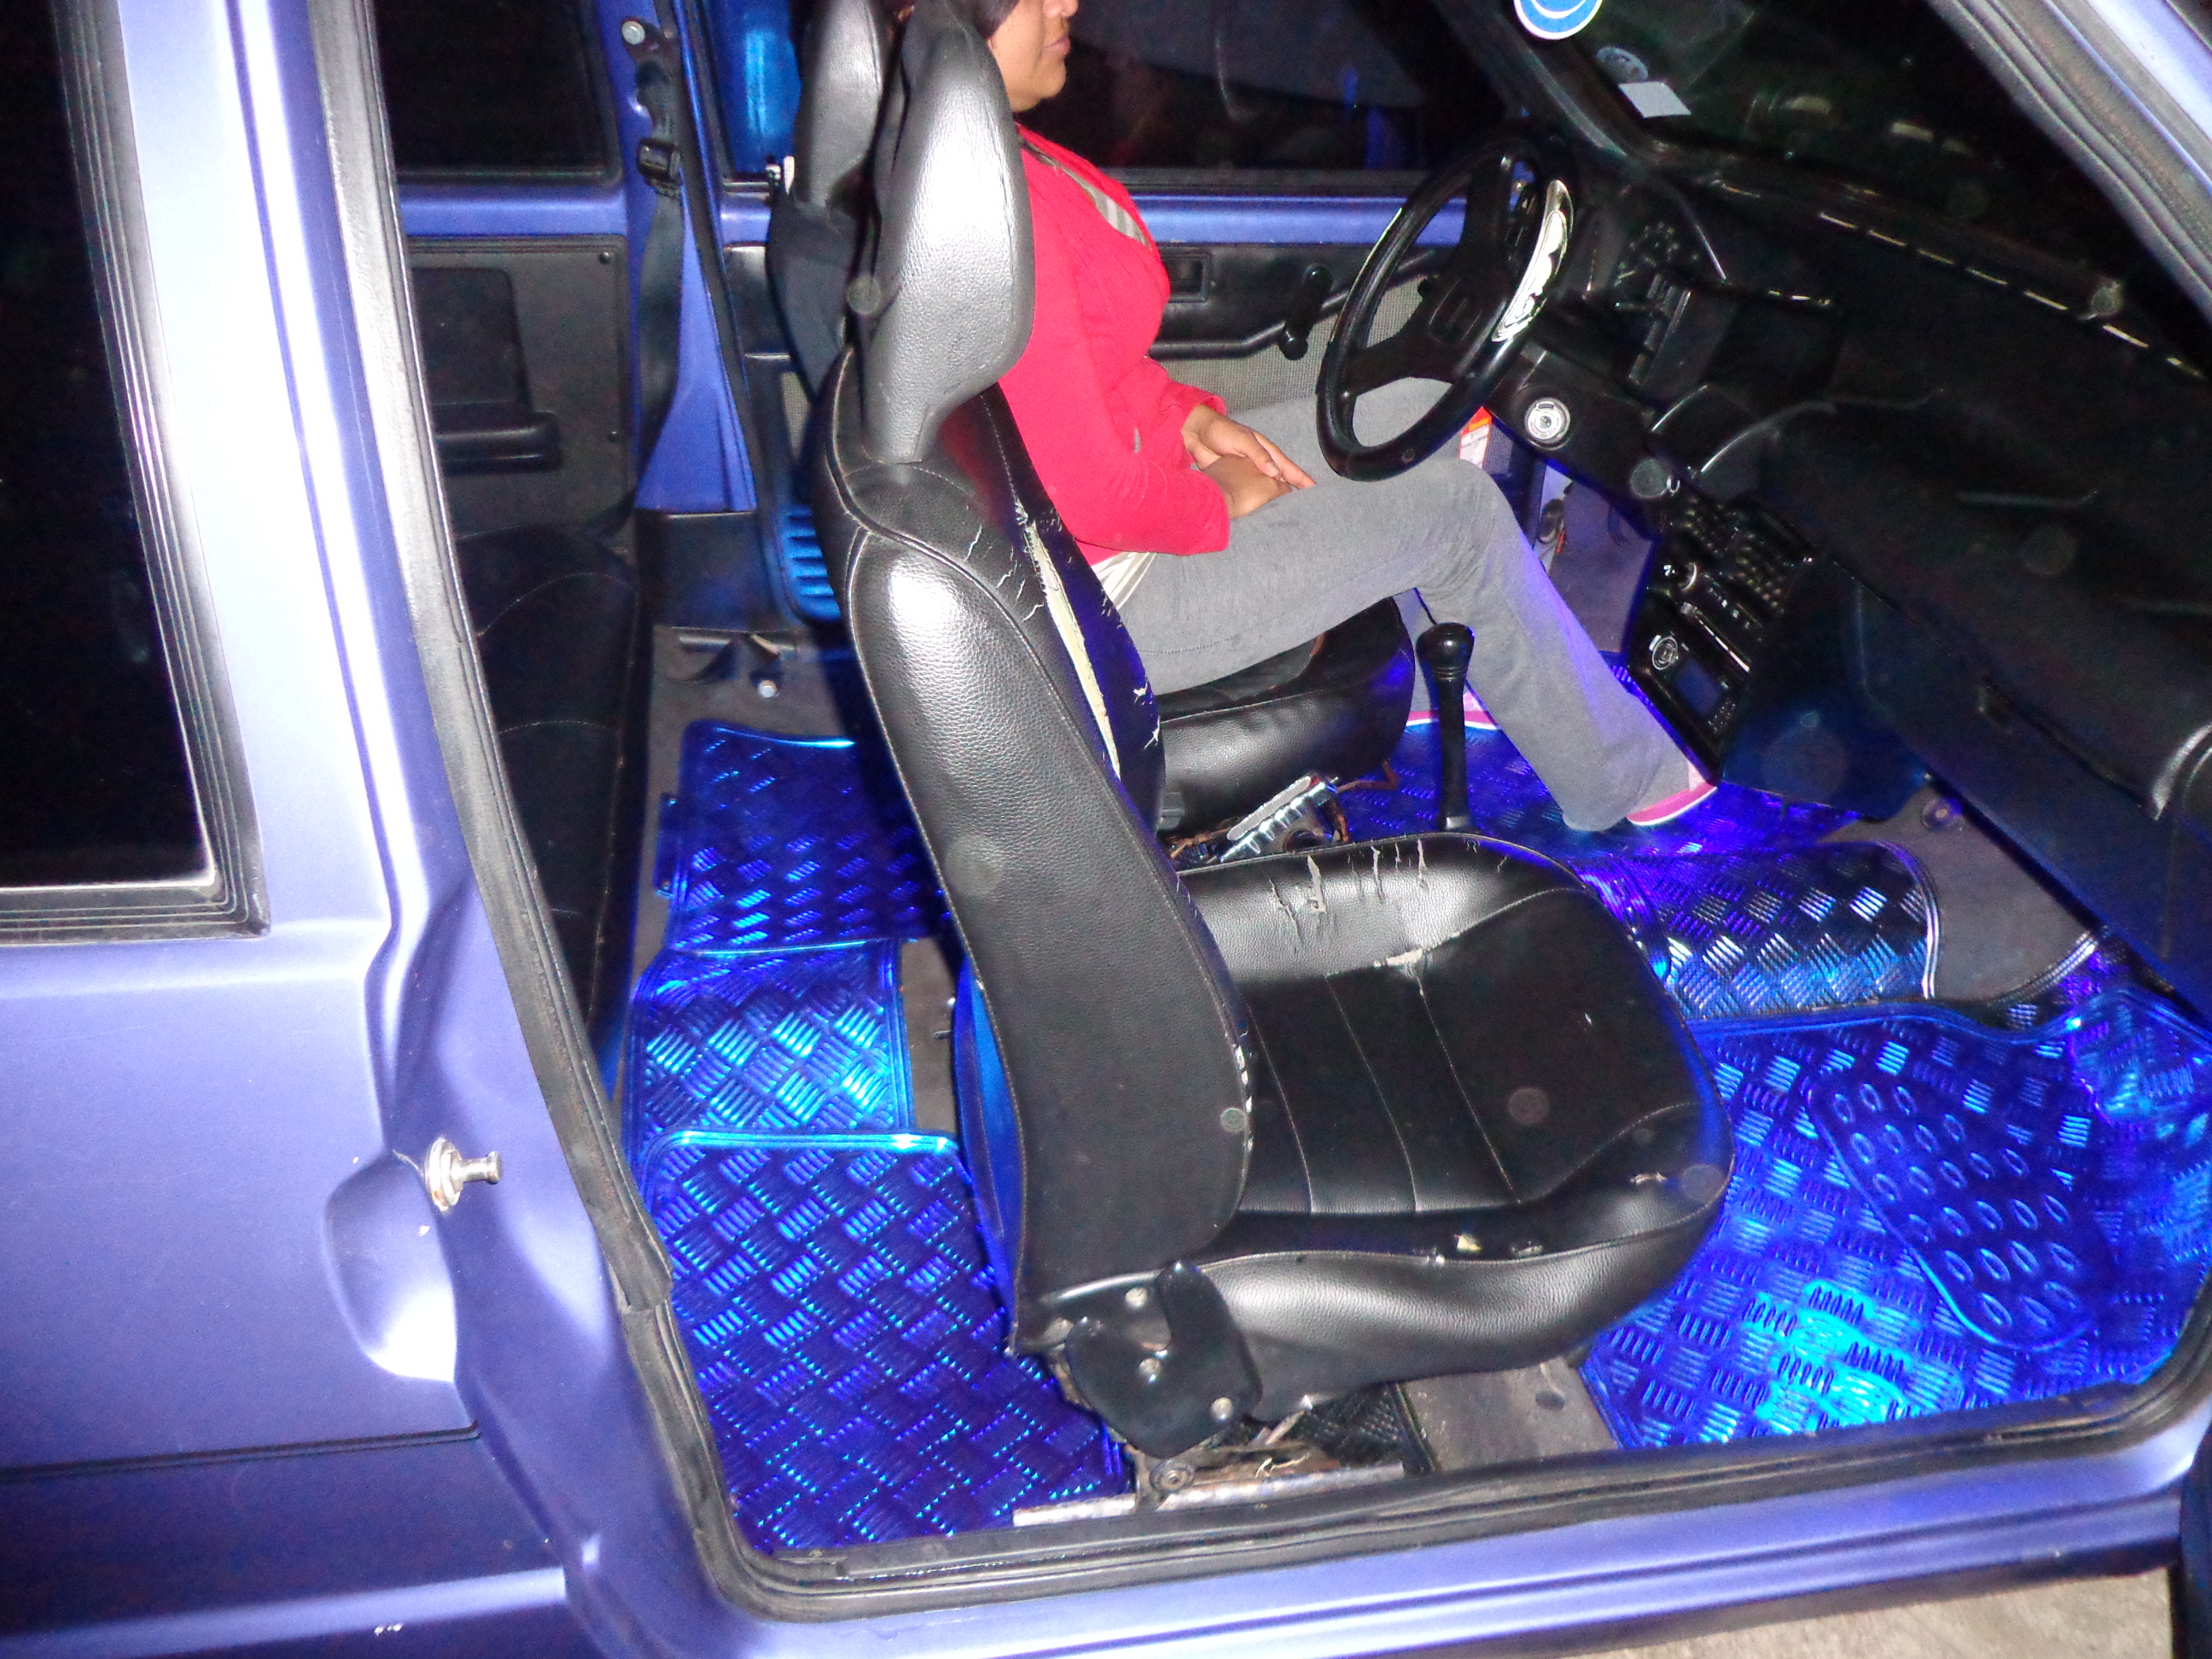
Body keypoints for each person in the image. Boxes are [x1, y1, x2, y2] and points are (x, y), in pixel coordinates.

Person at [969, 0, 1714, 830]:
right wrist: (1215, 501)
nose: (1066, 2)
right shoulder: (995, 204)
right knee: (1457, 515)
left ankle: (1469, 670)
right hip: (1105, 596)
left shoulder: (1005, 155)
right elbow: (1085, 490)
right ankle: (1629, 785)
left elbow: (1093, 360)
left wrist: (1189, 420)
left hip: (1112, 503)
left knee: (1412, 414)